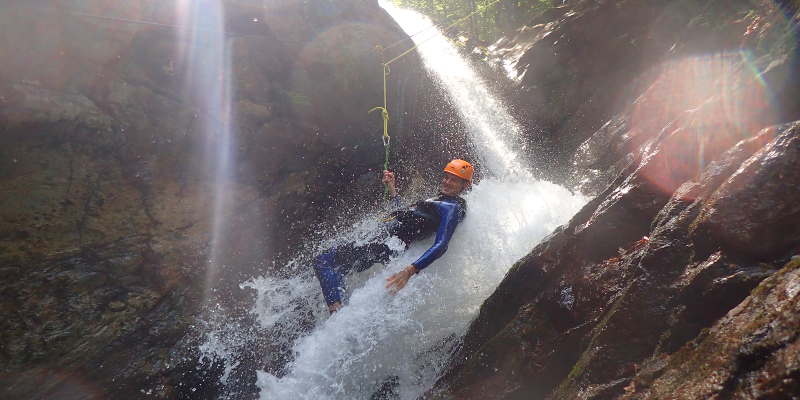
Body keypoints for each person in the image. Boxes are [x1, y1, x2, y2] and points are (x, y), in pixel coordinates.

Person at [313, 159, 474, 314]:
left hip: (385, 245)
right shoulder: (440, 201)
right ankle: (340, 312)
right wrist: (392, 189)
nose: (446, 182)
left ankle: (336, 314)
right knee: (338, 270)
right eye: (446, 177)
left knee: (323, 261)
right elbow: (408, 219)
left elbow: (441, 244)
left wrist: (410, 270)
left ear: (464, 185)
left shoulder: (452, 207)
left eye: (453, 180)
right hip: (384, 242)